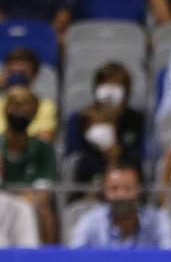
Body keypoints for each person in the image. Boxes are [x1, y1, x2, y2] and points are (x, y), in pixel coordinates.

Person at [66, 62, 145, 190]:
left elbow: (139, 154)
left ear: (126, 90)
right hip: (87, 180)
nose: (110, 91)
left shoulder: (136, 119)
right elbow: (74, 156)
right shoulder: (80, 118)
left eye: (117, 85)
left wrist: (115, 152)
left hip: (126, 182)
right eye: (105, 84)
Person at [69, 163, 171, 249]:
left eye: (127, 189)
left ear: (139, 191)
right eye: (114, 189)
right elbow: (74, 259)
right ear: (104, 192)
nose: (121, 195)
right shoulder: (90, 221)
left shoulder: (159, 221)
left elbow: (170, 259)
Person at [0, 86, 57, 243]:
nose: (21, 114)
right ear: (6, 109)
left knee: (43, 207)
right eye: (16, 108)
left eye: (27, 111)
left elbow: (45, 186)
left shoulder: (42, 148)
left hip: (32, 201)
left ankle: (47, 256)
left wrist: (27, 196)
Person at [0, 47, 57, 142]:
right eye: (12, 72)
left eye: (22, 73)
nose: (16, 77)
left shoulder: (45, 106)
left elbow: (45, 140)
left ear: (34, 76)